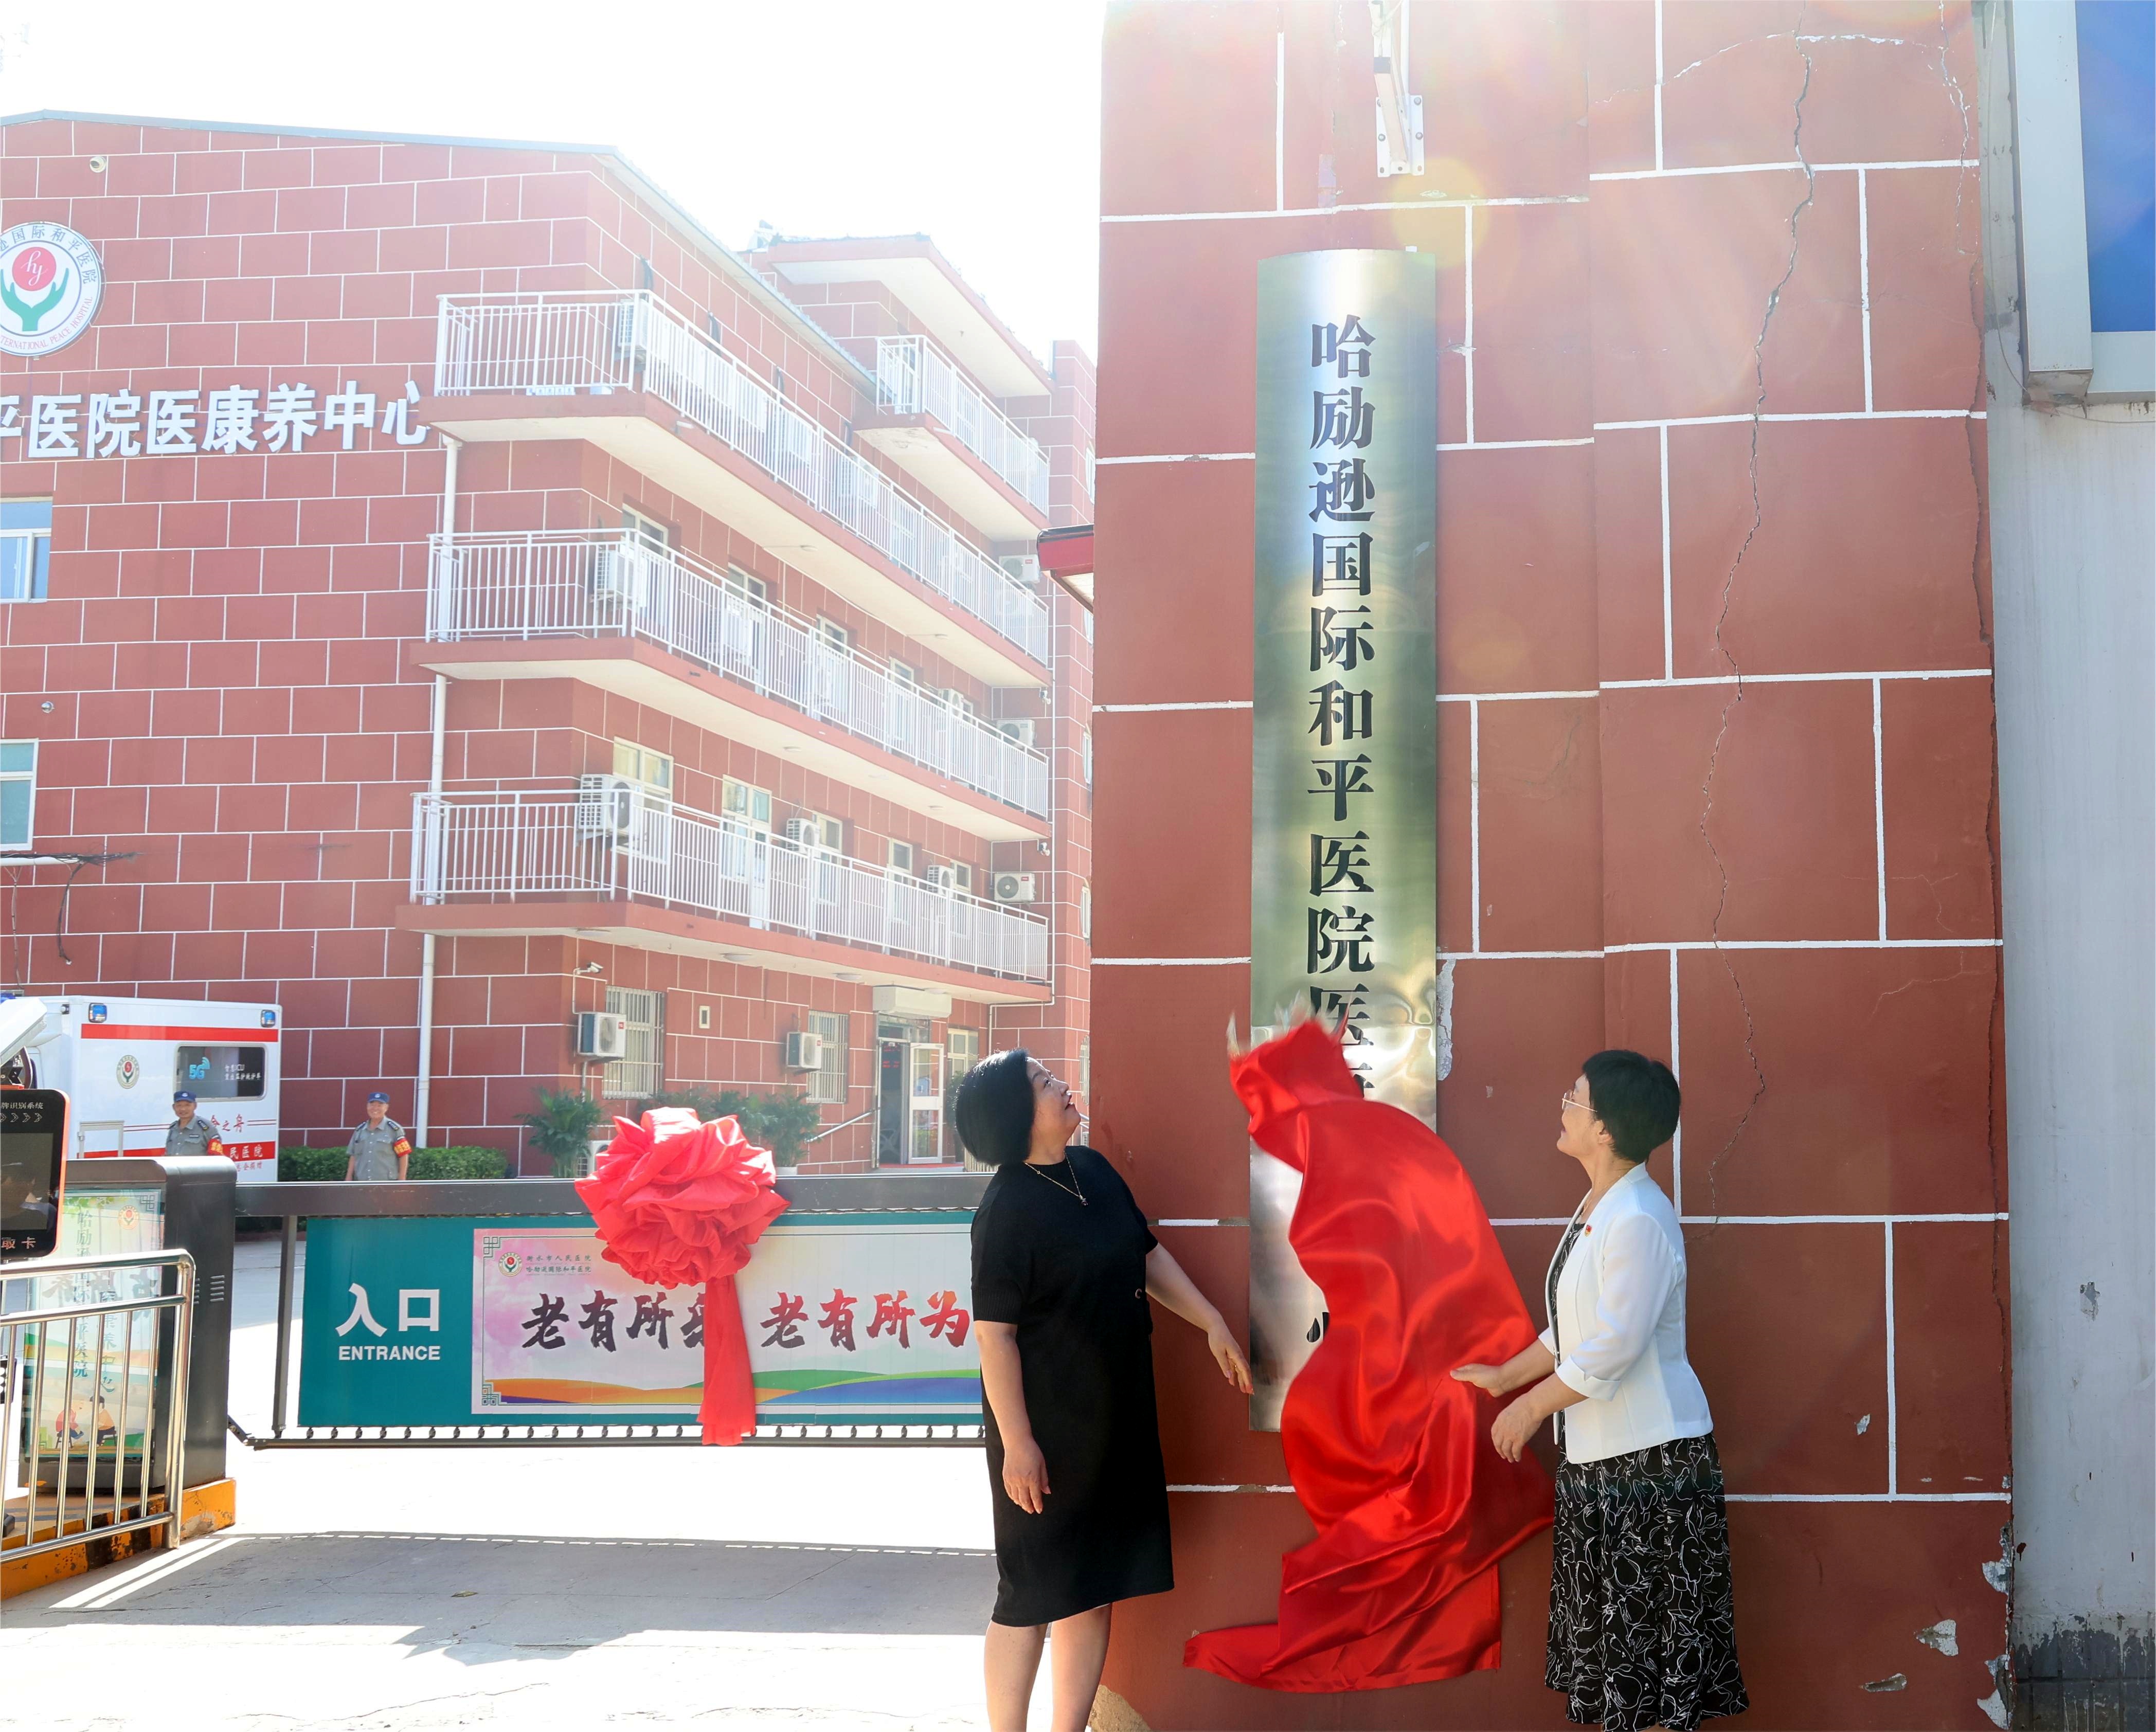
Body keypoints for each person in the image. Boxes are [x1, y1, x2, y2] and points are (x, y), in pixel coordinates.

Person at [1452, 1051, 1748, 1732]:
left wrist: (1530, 1408)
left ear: (1606, 1129)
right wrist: (1506, 1377)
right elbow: (1575, 1326)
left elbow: (1615, 1344)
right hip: (1603, 1465)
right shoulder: (1603, 1204)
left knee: (1650, 1669)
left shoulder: (1638, 1215)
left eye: (1574, 1099)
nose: (1563, 1107)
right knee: (1624, 1665)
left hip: (1651, 1469)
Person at [959, 1048, 1252, 1732]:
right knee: (1030, 1597)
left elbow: (1143, 1254)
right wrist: (1018, 1444)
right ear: (1015, 1115)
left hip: (1113, 1414)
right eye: (1043, 1082)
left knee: (1093, 1591)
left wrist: (1210, 1320)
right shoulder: (1005, 1210)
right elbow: (994, 1336)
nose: (1061, 1084)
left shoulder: (1091, 1171)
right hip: (1044, 1431)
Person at [343, 1092, 411, 1181]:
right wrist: (348, 1178)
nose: (375, 1108)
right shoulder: (359, 1130)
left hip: (387, 1184)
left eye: (380, 1105)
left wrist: (402, 1180)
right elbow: (353, 1156)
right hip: (362, 1183)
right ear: (367, 1107)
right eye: (372, 1105)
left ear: (386, 1108)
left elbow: (404, 1155)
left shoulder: (395, 1130)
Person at [164, 1091, 226, 1160]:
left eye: (187, 1105)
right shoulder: (173, 1128)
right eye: (179, 1105)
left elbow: (216, 1155)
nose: (183, 1109)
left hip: (198, 1166)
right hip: (175, 1166)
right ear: (174, 1107)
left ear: (195, 1106)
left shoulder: (206, 1127)